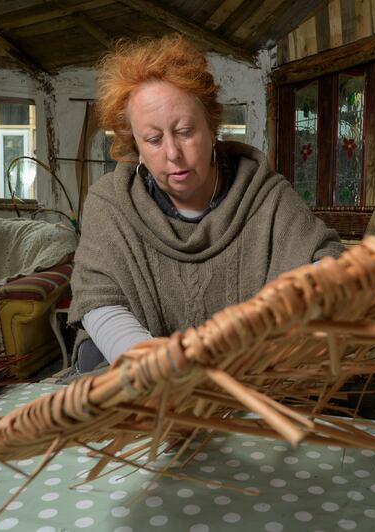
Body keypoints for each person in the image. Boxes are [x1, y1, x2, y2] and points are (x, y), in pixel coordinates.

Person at [66, 34, 343, 376]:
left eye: (185, 131)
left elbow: (327, 268)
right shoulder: (109, 204)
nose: (173, 154)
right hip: (141, 384)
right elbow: (97, 298)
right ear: (135, 146)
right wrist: (146, 361)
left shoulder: (266, 195)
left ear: (212, 129)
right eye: (153, 140)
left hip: (251, 377)